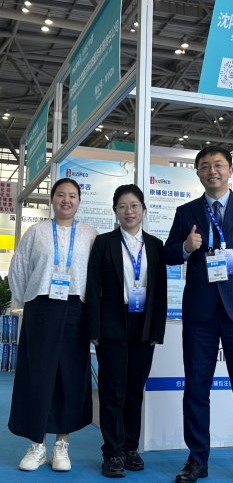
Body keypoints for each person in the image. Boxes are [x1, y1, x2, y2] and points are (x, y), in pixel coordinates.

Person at [164, 146, 233, 483]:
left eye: (218, 165)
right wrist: (186, 248)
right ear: (197, 172)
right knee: (196, 390)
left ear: (230, 170)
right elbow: (168, 254)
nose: (212, 171)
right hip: (200, 312)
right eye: (204, 166)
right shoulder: (186, 211)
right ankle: (197, 460)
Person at [8, 177, 98, 472]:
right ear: (52, 199)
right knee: (37, 375)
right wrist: (29, 300)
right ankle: (37, 445)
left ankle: (61, 444)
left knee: (69, 375)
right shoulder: (36, 232)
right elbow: (19, 268)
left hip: (76, 308)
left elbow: (96, 277)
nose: (66, 200)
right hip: (42, 307)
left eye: (72, 195)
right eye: (61, 194)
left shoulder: (89, 234)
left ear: (79, 201)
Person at [86, 184, 168, 478]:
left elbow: (160, 291)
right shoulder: (104, 242)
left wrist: (157, 330)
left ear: (143, 209)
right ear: (115, 211)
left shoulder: (155, 245)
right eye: (122, 206)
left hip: (143, 325)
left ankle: (131, 448)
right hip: (112, 324)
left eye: (134, 205)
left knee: (134, 390)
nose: (129, 211)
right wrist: (93, 328)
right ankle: (112, 452)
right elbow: (93, 286)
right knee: (112, 391)